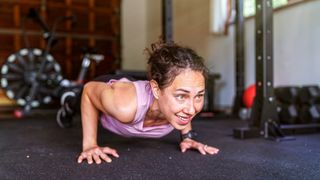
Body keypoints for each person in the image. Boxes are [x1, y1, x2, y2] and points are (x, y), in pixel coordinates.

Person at [77, 41, 219, 164]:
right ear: (156, 90)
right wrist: (90, 145)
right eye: (182, 96)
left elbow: (185, 105)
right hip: (109, 87)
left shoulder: (178, 105)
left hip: (141, 90)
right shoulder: (124, 106)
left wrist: (187, 137)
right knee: (72, 99)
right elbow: (88, 91)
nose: (192, 109)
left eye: (199, 96)